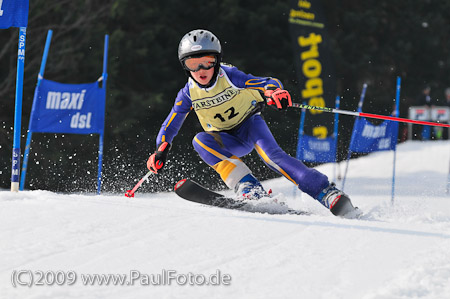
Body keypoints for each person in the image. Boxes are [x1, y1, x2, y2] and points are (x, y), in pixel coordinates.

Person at [147, 29, 355, 216]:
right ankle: (248, 187)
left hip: (250, 125)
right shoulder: (188, 93)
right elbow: (171, 122)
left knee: (273, 157)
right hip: (225, 138)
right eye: (193, 63)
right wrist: (161, 148)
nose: (201, 69)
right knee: (200, 141)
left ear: (217, 61)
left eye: (207, 61)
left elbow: (265, 82)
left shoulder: (229, 76)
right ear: (185, 66)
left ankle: (327, 193)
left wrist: (274, 92)